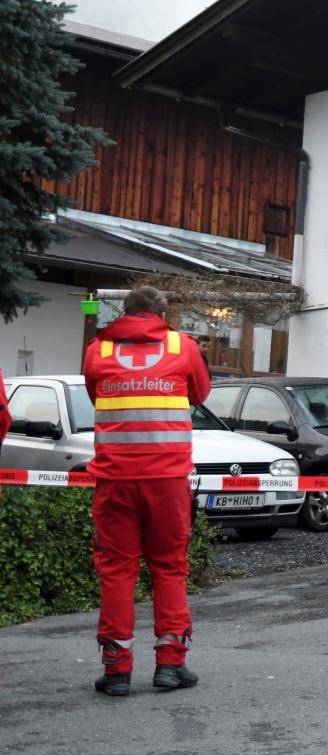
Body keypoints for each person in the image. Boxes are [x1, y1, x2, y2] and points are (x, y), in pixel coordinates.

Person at [80, 286, 211, 696]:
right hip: (167, 481)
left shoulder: (97, 352)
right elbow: (201, 394)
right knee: (169, 567)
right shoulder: (183, 346)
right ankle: (170, 666)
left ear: (126, 312)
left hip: (115, 480)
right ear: (161, 313)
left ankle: (117, 671)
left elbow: (93, 395)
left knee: (116, 571)